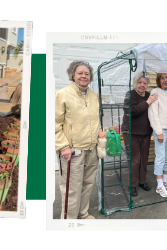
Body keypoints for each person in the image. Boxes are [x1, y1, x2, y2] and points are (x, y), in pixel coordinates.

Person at [55, 60, 106, 219]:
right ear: (72, 75)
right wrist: (63, 146)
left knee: (87, 185)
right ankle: (68, 221)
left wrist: (99, 131)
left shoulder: (94, 95)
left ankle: (83, 215)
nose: (84, 76)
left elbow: (96, 118)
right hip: (73, 151)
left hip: (92, 149)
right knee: (71, 188)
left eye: (87, 73)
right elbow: (54, 123)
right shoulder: (62, 94)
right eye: (80, 73)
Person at [121, 73, 158, 197]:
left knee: (144, 158)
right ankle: (132, 184)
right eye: (139, 82)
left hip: (146, 132)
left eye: (145, 83)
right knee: (135, 160)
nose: (142, 85)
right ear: (135, 83)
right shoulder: (130, 94)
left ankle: (142, 181)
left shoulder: (149, 95)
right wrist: (148, 102)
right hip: (131, 132)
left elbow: (161, 99)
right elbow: (131, 111)